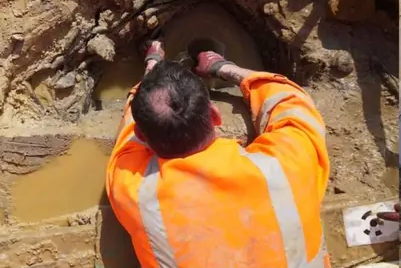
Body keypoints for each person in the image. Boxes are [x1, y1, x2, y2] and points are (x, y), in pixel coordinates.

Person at [105, 40, 330, 268]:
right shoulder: (289, 165)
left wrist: (152, 67)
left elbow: (127, 141)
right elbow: (291, 101)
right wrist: (221, 67)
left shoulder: (136, 194)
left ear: (143, 136)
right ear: (215, 115)